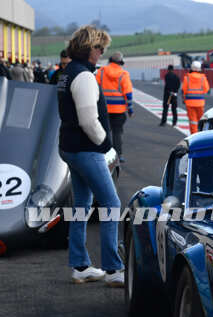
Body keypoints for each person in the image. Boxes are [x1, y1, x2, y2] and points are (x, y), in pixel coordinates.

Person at [56, 25, 123, 286]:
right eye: (100, 48)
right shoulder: (83, 76)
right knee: (111, 204)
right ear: (89, 48)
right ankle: (113, 269)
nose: (102, 53)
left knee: (82, 204)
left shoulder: (67, 73)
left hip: (70, 147)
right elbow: (88, 120)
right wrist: (105, 144)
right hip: (86, 149)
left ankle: (80, 266)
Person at [95, 51, 133, 163]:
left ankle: (104, 154)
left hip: (103, 109)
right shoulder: (123, 74)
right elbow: (128, 94)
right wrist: (130, 109)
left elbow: (95, 88)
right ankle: (119, 155)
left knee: (104, 132)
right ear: (121, 62)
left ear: (110, 60)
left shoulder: (101, 72)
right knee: (117, 133)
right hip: (119, 111)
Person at [182, 60, 210, 134]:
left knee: (193, 121)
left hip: (189, 103)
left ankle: (194, 135)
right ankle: (201, 134)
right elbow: (206, 89)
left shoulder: (187, 77)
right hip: (200, 103)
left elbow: (184, 89)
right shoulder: (203, 78)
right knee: (201, 120)